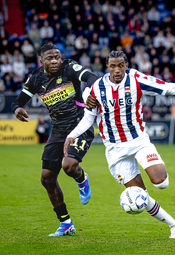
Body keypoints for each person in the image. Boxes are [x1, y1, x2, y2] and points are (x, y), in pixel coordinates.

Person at [64, 51, 175, 238]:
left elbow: (169, 87)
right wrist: (72, 135)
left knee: (162, 183)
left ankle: (161, 190)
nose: (117, 70)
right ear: (107, 67)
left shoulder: (136, 79)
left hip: (139, 141)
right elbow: (88, 118)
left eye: (121, 65)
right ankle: (174, 225)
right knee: (140, 195)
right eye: (113, 66)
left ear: (126, 65)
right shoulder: (96, 88)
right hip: (115, 150)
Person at [11, 44, 99, 236]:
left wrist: (92, 93)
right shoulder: (35, 79)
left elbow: (92, 77)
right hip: (58, 130)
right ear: (41, 60)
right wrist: (17, 109)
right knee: (47, 178)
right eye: (50, 58)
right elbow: (17, 102)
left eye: (57, 57)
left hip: (79, 125)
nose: (55, 61)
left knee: (69, 166)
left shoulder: (69, 68)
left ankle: (82, 178)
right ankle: (66, 223)